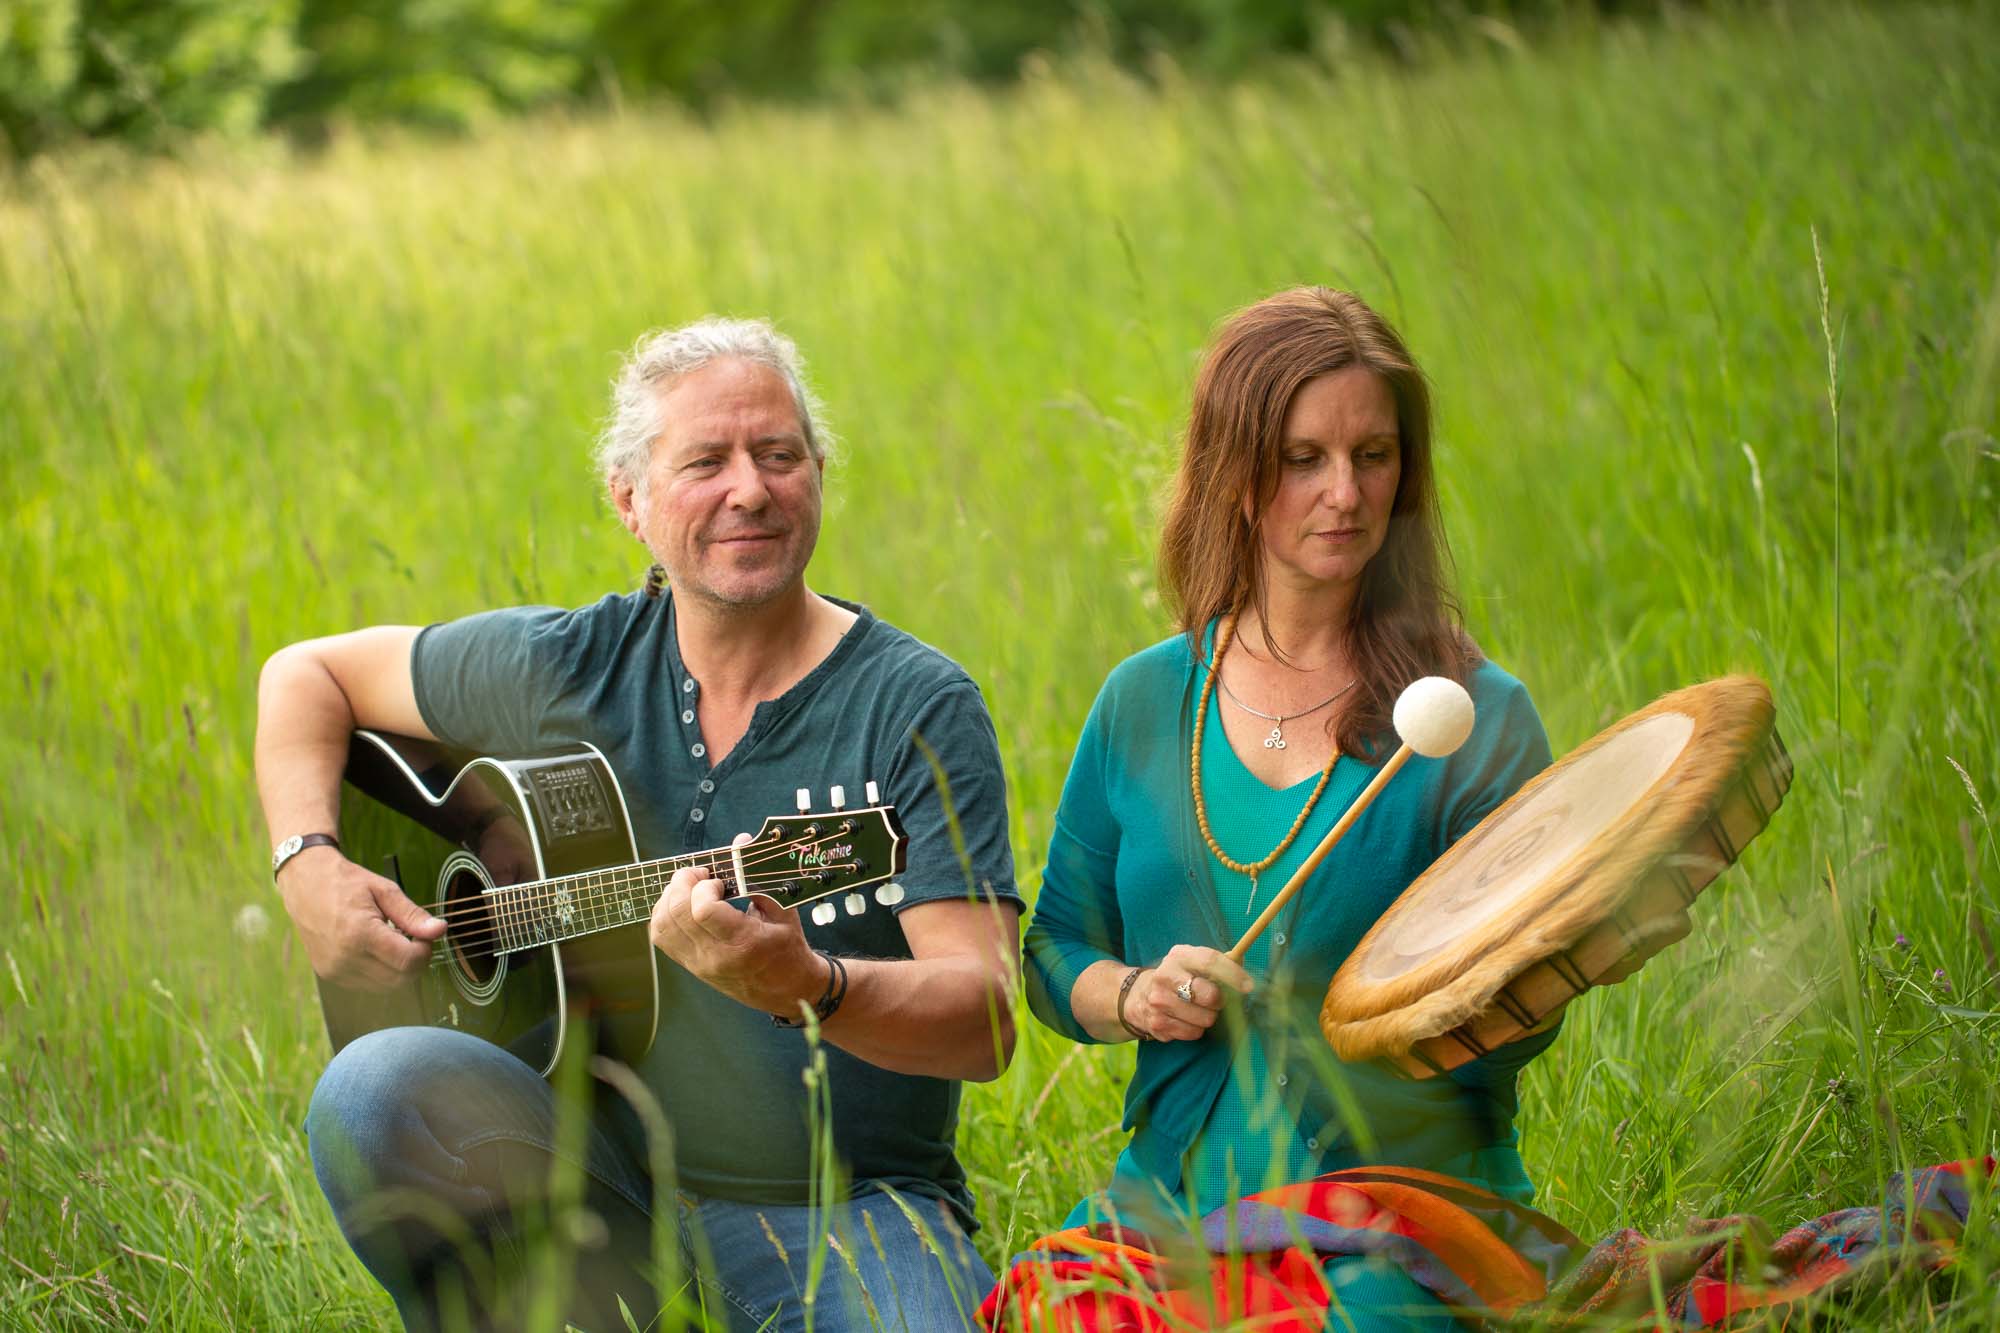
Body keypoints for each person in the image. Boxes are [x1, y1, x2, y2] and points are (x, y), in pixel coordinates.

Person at [257, 317, 1022, 1332]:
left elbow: (986, 1018)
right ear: (630, 500)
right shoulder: (569, 663)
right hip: (587, 1169)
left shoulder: (912, 703)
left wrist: (813, 984)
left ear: (818, 477)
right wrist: (308, 862)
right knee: (374, 1085)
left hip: (842, 1205)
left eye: (778, 456)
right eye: (705, 460)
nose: (748, 488)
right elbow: (304, 674)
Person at [1019, 287, 1560, 1327]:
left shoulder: (1471, 716)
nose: (1344, 493)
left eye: (1373, 455)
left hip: (1399, 1206)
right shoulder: (1143, 700)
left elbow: (1516, 1020)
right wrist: (1131, 994)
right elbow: (1052, 951)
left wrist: (1524, 970)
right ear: (1233, 473)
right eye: (1302, 457)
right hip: (1168, 1205)